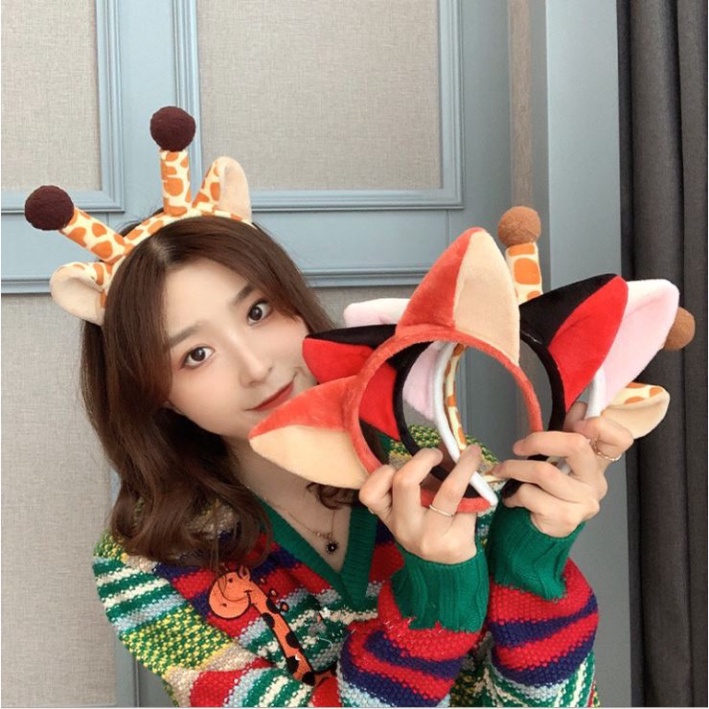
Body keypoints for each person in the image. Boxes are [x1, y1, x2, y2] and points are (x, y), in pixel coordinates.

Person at [27, 108, 633, 707]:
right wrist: (433, 603)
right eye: (196, 354)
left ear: (294, 303)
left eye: (258, 312)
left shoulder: (442, 467)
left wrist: (531, 569)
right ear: (155, 392)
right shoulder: (144, 567)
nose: (256, 366)